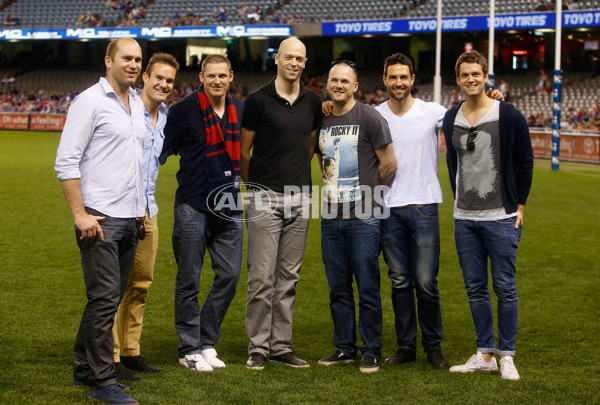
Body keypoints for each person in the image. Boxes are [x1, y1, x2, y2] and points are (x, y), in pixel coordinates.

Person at [55, 37, 145, 405]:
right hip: (100, 218)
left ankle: (83, 368)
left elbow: (134, 163)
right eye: (127, 57)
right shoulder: (89, 101)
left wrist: (139, 210)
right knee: (105, 299)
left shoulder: (136, 102)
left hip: (129, 218)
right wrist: (79, 213)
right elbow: (66, 161)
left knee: (107, 298)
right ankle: (101, 380)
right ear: (109, 60)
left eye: (139, 59)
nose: (134, 64)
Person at [441, 51, 533, 380]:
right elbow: (454, 163)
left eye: (476, 74)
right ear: (458, 80)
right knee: (475, 288)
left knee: (505, 288)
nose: (471, 80)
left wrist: (519, 205)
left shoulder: (507, 114)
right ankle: (485, 354)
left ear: (485, 76)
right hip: (465, 218)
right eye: (465, 75)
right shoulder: (451, 117)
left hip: (501, 217)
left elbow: (526, 161)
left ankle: (507, 355)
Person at [241, 37, 322, 370]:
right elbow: (245, 152)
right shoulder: (257, 101)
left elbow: (310, 147)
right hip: (265, 197)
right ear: (277, 60)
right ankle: (258, 346)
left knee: (289, 278)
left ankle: (280, 346)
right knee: (261, 278)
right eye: (289, 57)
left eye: (300, 59)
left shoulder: (314, 102)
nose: (294, 63)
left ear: (304, 63)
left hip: (301, 197)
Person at [160, 54, 244, 372]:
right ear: (201, 77)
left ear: (231, 76)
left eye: (223, 76)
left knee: (230, 275)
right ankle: (189, 348)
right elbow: (158, 147)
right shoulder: (183, 110)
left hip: (229, 205)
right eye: (211, 76)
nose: (217, 81)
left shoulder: (240, 109)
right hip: (192, 205)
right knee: (188, 280)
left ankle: (206, 340)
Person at [316, 60, 397, 374]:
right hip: (330, 216)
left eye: (344, 81)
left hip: (363, 217)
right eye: (334, 80)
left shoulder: (369, 117)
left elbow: (389, 163)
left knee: (367, 287)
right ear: (327, 83)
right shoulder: (321, 118)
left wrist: (371, 199)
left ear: (355, 86)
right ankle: (344, 347)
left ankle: (371, 349)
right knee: (337, 288)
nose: (338, 85)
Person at [375, 53, 450, 369]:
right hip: (388, 208)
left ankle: (434, 346)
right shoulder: (374, 115)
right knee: (400, 281)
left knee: (425, 281)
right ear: (385, 80)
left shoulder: (433, 112)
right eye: (393, 77)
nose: (398, 82)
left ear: (412, 79)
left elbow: (471, 118)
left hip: (423, 206)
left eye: (403, 77)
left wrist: (493, 98)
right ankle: (406, 346)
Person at [112, 52, 179, 380]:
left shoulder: (168, 116)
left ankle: (131, 351)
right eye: (158, 78)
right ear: (145, 78)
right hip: (120, 210)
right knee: (116, 287)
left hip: (148, 211)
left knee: (141, 285)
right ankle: (110, 358)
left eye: (169, 81)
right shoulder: (127, 109)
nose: (163, 84)